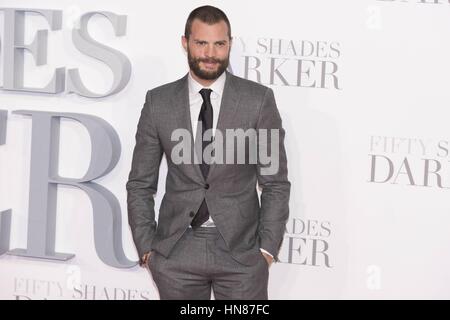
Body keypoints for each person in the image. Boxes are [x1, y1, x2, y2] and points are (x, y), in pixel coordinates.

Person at [126, 5, 290, 300]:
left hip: (241, 254)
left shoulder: (258, 100)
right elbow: (140, 183)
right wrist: (148, 249)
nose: (211, 54)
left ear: (230, 44)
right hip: (176, 251)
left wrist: (266, 250)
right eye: (201, 43)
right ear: (185, 43)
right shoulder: (158, 102)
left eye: (219, 44)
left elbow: (275, 182)